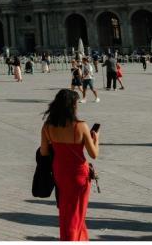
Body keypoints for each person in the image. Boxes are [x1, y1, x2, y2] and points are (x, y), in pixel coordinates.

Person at [40, 89, 99, 241]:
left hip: (60, 172)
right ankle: (72, 239)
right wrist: (96, 139)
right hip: (78, 173)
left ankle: (77, 238)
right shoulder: (81, 126)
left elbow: (44, 152)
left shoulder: (47, 126)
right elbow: (94, 154)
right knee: (77, 212)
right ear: (72, 106)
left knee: (66, 210)